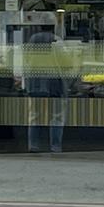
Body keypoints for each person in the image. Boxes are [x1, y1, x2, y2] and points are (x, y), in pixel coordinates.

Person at [26, 25, 68, 153]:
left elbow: (26, 58)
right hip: (54, 82)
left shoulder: (32, 39)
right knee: (57, 116)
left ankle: (33, 145)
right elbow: (65, 61)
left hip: (35, 82)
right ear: (53, 26)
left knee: (34, 115)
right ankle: (55, 146)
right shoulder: (57, 40)